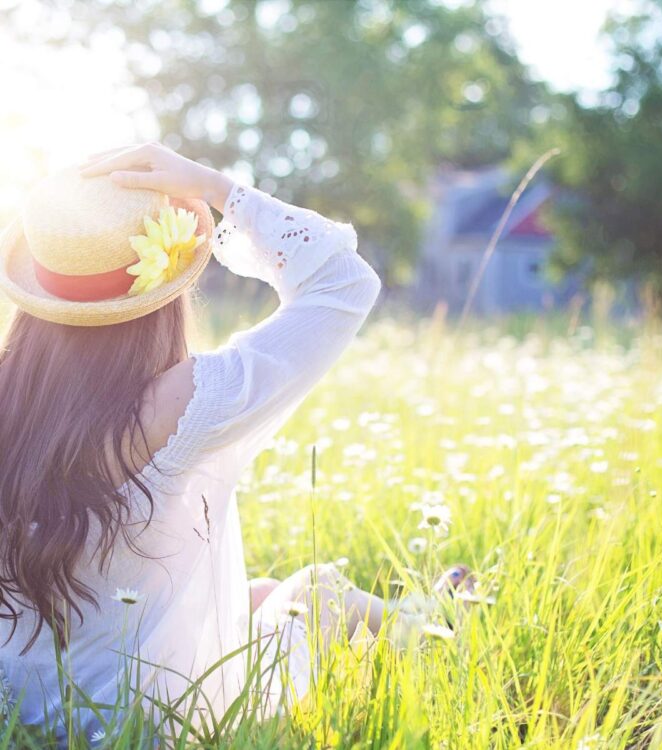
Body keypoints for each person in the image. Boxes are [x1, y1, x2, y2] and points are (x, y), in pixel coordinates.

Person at [0, 143, 473, 742]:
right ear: (163, 291)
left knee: (260, 596)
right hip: (157, 724)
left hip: (28, 710)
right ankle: (433, 627)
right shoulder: (191, 401)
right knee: (317, 591)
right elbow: (342, 282)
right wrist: (218, 189)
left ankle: (424, 619)